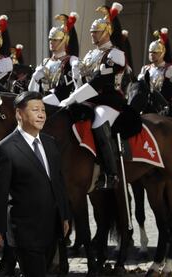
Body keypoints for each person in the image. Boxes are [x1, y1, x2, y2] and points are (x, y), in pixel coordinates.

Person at [0, 91, 69, 277]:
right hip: (24, 231)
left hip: (51, 229)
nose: (41, 114)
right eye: (35, 110)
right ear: (19, 114)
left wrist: (64, 215)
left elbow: (58, 182)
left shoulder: (50, 143)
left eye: (43, 110)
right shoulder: (5, 149)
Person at [59, 2, 126, 189]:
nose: (92, 34)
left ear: (107, 31)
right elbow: (84, 83)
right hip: (89, 100)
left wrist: (72, 98)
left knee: (98, 123)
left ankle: (111, 173)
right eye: (91, 31)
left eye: (96, 31)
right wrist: (75, 77)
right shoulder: (90, 55)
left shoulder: (116, 54)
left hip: (110, 101)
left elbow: (97, 83)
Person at [29, 12, 80, 102]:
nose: (51, 42)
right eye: (50, 39)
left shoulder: (70, 60)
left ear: (64, 41)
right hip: (44, 102)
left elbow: (64, 92)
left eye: (55, 40)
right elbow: (31, 91)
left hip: (63, 104)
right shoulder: (45, 61)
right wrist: (35, 78)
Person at [137, 27, 172, 115]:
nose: (152, 55)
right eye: (150, 52)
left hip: (164, 108)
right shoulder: (145, 69)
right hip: (146, 108)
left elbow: (169, 92)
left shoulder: (170, 69)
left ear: (162, 52)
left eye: (155, 52)